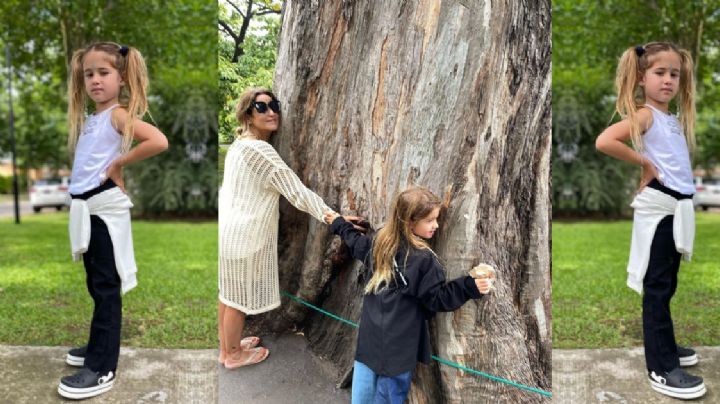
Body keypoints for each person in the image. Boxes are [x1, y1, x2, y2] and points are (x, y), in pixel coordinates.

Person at [218, 88, 358, 369]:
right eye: (261, 107)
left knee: (228, 295)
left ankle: (227, 347)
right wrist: (335, 218)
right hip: (247, 236)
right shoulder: (260, 150)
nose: (271, 112)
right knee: (237, 300)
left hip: (229, 234)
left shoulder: (238, 146)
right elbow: (297, 192)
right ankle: (232, 355)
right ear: (247, 113)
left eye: (275, 105)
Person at [58, 42, 168, 400]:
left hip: (103, 211)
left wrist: (119, 164)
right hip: (86, 210)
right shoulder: (93, 118)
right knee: (96, 285)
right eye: (89, 74)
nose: (95, 80)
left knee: (106, 289)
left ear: (121, 78)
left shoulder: (118, 115)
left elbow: (158, 140)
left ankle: (103, 368)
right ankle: (95, 348)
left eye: (103, 73)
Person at [596, 42, 705, 400]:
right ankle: (660, 368)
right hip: (660, 210)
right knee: (657, 290)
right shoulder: (645, 115)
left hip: (678, 209)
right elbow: (605, 141)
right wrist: (644, 163)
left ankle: (668, 348)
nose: (668, 80)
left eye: (675, 74)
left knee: (667, 285)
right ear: (643, 78)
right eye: (660, 73)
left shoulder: (671, 119)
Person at [324, 186, 492, 404]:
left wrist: (339, 224)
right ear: (410, 222)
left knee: (362, 396)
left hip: (369, 340)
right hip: (399, 349)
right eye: (430, 220)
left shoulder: (379, 244)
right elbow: (437, 298)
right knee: (389, 397)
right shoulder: (424, 260)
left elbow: (356, 243)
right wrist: (470, 286)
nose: (436, 225)